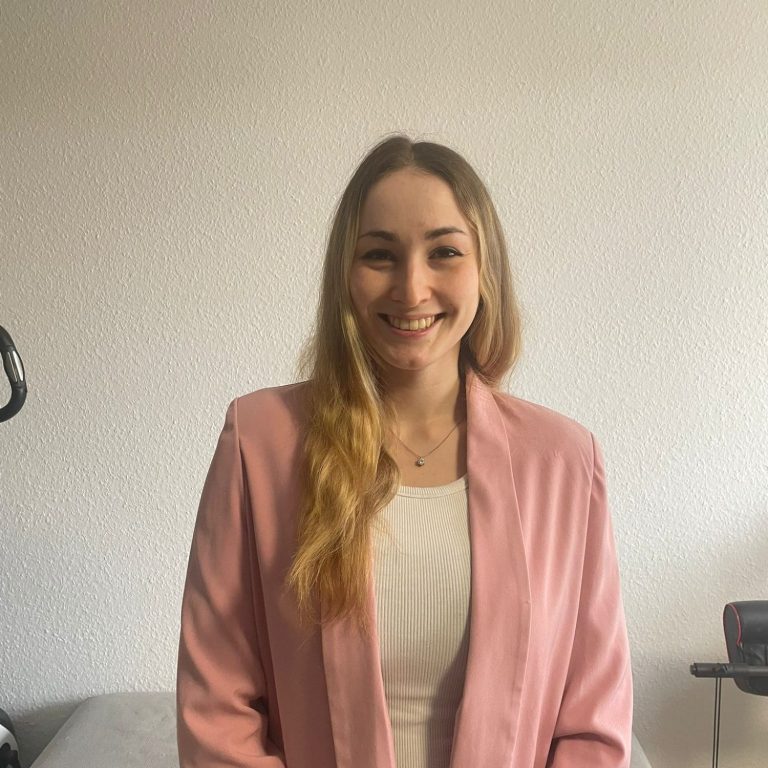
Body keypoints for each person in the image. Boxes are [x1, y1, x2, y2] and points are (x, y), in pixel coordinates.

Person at [176, 134, 633, 768]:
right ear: (345, 275)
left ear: (485, 270)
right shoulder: (260, 442)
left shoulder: (564, 461)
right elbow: (216, 708)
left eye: (444, 251)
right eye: (380, 255)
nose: (412, 288)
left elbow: (593, 723)